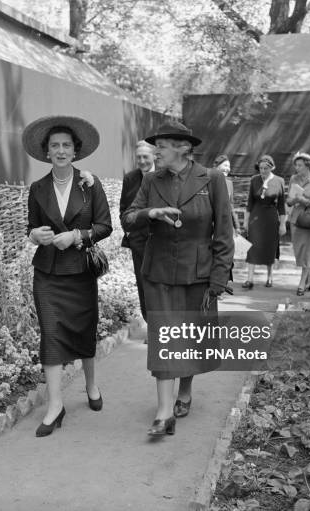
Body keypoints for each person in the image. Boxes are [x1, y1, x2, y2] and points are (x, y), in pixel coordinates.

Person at [121, 120, 234, 437]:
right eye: (155, 146)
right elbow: (128, 219)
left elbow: (224, 234)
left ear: (183, 148)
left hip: (198, 273)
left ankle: (185, 390)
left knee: (191, 337)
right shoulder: (151, 181)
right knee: (165, 337)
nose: (156, 152)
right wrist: (150, 214)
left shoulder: (212, 179)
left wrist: (218, 279)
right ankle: (164, 412)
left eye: (162, 146)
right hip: (158, 271)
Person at [23, 115, 112, 437]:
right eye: (54, 146)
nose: (60, 151)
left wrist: (76, 236)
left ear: (76, 151)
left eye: (66, 146)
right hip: (46, 272)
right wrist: (36, 235)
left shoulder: (90, 184)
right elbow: (30, 227)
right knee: (50, 332)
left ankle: (90, 385)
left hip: (80, 272)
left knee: (83, 330)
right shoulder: (38, 188)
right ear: (46, 152)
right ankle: (55, 406)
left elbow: (105, 227)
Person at [119, 140, 155, 324]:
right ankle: (151, 325)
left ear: (154, 156)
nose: (141, 161)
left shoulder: (164, 176)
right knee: (143, 284)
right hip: (139, 242)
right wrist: (130, 234)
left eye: (145, 157)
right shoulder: (130, 179)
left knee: (161, 285)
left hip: (162, 240)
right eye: (138, 157)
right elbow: (124, 209)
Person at [242, 155, 286, 289]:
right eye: (260, 168)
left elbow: (282, 206)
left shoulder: (279, 181)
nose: (262, 171)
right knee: (252, 247)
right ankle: (249, 279)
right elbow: (249, 203)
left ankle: (270, 277)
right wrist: (246, 221)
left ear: (272, 167)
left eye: (265, 168)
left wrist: (283, 223)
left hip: (271, 217)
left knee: (270, 247)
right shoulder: (254, 180)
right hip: (256, 216)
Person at [286, 152, 310, 295]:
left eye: (300, 165)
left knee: (308, 252)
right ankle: (308, 281)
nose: (297, 168)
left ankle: (301, 284)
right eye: (296, 165)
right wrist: (296, 199)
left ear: (308, 165)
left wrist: (308, 201)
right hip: (296, 220)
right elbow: (288, 201)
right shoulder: (293, 178)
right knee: (300, 252)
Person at [213, 154, 241, 235]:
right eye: (225, 165)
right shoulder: (209, 181)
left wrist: (237, 226)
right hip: (211, 226)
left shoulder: (229, 184)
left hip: (226, 225)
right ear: (217, 166)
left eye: (229, 166)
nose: (227, 169)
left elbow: (231, 206)